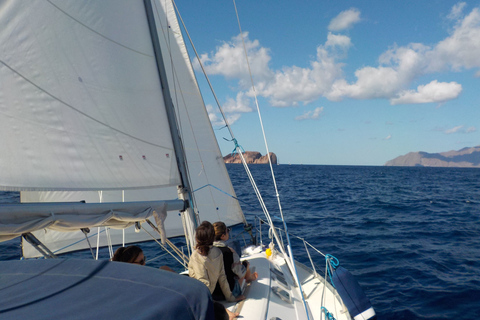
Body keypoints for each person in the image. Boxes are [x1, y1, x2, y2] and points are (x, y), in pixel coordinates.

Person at [188, 221, 244, 320]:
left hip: (199, 293)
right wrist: (230, 298)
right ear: (213, 238)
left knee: (165, 269)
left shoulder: (196, 256)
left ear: (197, 238)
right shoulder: (218, 252)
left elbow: (203, 284)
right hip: (210, 292)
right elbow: (222, 278)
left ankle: (226, 311)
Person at [212, 222, 258, 300]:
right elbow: (239, 272)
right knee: (244, 265)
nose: (228, 232)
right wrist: (245, 265)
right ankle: (249, 277)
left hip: (213, 294)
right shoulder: (230, 252)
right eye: (227, 231)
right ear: (223, 236)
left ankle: (249, 276)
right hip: (229, 293)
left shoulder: (206, 252)